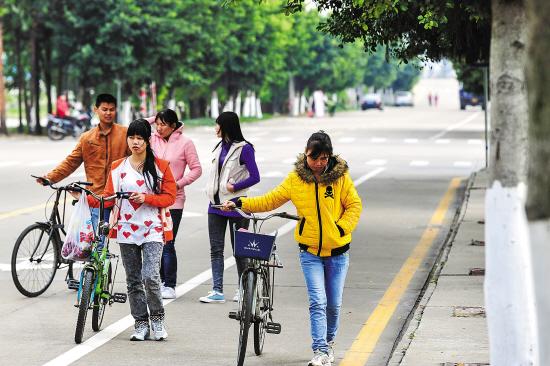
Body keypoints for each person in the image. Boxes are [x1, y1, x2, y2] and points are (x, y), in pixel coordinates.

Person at [222, 131, 362, 366]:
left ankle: (329, 344)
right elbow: (270, 200)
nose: (319, 163)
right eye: (314, 157)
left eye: (324, 158)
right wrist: (240, 202)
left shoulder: (340, 178)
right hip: (309, 252)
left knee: (333, 305)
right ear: (306, 154)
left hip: (338, 252)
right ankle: (319, 350)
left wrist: (340, 228)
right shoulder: (296, 180)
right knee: (317, 301)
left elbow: (354, 206)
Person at [87, 119, 177, 341]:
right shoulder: (118, 167)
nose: (135, 142)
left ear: (148, 140)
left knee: (150, 277)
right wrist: (86, 199)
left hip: (153, 229)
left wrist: (146, 198)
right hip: (126, 230)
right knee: (133, 279)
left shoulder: (161, 166)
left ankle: (157, 319)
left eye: (140, 138)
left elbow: (170, 197)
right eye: (132, 138)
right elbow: (108, 198)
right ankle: (140, 323)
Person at [38, 93, 129, 232]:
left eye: (112, 109)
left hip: (121, 197)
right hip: (96, 198)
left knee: (127, 243)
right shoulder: (87, 138)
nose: (108, 113)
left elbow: (138, 160)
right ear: (96, 109)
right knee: (97, 244)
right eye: (104, 109)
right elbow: (71, 162)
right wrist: (50, 177)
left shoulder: (125, 134)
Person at [200, 111, 260, 304]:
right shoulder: (219, 147)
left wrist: (235, 187)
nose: (215, 128)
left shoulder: (245, 149)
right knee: (215, 249)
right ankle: (217, 290)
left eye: (217, 124)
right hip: (215, 205)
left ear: (225, 126)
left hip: (236, 205)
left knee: (240, 249)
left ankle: (244, 290)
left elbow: (255, 176)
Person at [149, 109, 202, 299]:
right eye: (157, 123)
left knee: (168, 241)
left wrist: (178, 184)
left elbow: (196, 169)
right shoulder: (152, 139)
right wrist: (153, 118)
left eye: (163, 124)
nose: (159, 127)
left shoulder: (185, 143)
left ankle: (169, 284)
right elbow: (137, 126)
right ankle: (159, 281)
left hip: (174, 200)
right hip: (152, 198)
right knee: (154, 241)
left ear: (174, 126)